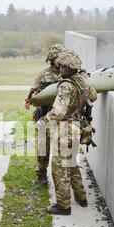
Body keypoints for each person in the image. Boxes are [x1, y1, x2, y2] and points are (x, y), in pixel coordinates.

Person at [37, 50, 97, 216]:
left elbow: (58, 112)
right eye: (61, 65)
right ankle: (81, 197)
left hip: (65, 130)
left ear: (71, 68)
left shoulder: (65, 85)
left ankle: (63, 206)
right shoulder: (82, 81)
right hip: (78, 127)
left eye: (64, 66)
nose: (61, 68)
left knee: (59, 168)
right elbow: (94, 96)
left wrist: (41, 123)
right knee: (71, 164)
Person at [25, 43, 66, 186]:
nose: (60, 60)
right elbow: (33, 91)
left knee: (63, 147)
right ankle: (41, 173)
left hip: (62, 116)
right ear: (52, 58)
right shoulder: (43, 74)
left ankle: (62, 173)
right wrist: (33, 95)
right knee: (43, 147)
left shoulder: (67, 72)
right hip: (45, 114)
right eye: (58, 57)